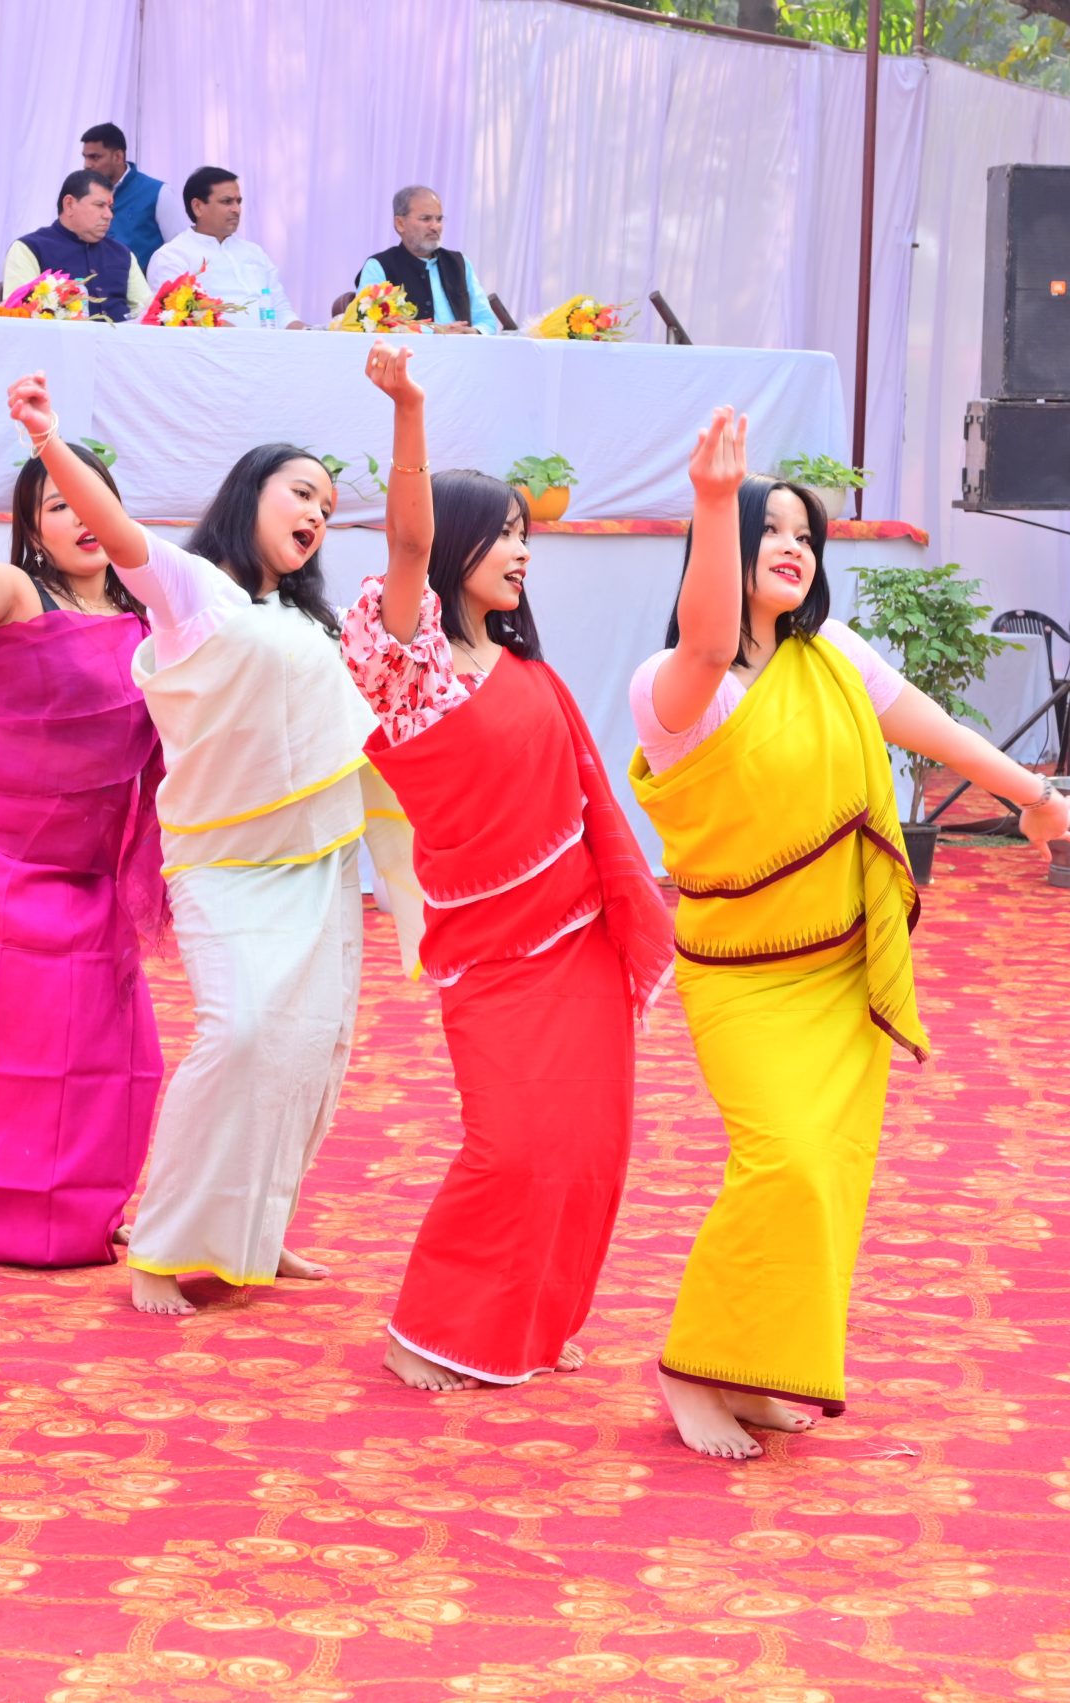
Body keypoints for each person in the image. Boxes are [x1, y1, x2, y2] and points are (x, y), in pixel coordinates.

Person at [628, 415, 1070, 1458]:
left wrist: (1034, 795)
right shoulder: (676, 685)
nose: (793, 546)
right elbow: (709, 640)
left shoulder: (830, 655)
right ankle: (691, 1364)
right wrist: (714, 498)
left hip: (837, 966)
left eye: (805, 534)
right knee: (782, 1159)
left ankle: (753, 1369)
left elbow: (934, 727)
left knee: (829, 1170)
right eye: (770, 529)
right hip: (741, 974)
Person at [6, 370, 383, 1315]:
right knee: (241, 1031)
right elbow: (116, 530)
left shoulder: (309, 621)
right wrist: (50, 443)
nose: (317, 513)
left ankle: (260, 1225)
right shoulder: (192, 589)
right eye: (302, 491)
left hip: (321, 862)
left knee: (310, 1047)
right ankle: (163, 1244)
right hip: (223, 864)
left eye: (328, 505)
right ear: (250, 493)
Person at [343, 345, 676, 1391]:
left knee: (588, 1145)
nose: (522, 551)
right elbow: (406, 538)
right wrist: (409, 408)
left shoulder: (526, 666)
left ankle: (529, 1324)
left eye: (527, 534)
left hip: (580, 933)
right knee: (512, 1144)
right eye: (502, 534)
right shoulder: (411, 664)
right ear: (455, 545)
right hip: (491, 948)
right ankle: (423, 1329)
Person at [0, 352, 166, 1268]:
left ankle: (74, 1212)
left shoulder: (154, 613)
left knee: (105, 1047)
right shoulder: (19, 596)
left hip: (85, 868)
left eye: (88, 499)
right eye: (55, 505)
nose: (79, 517)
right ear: (32, 529)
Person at [146, 168, 302, 330]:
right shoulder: (172, 256)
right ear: (198, 207)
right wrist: (243, 339)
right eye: (227, 202)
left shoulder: (254, 252)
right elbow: (183, 317)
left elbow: (282, 312)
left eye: (238, 202)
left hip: (271, 343)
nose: (236, 209)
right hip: (218, 345)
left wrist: (310, 332)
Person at [4, 171, 151, 321]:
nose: (109, 215)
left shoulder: (122, 254)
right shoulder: (30, 249)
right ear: (69, 205)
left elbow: (147, 311)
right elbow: (17, 316)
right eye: (100, 205)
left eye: (110, 207)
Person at [357, 187, 496, 335]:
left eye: (439, 219)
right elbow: (369, 323)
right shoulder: (379, 266)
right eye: (426, 219)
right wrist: (434, 332)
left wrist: (474, 332)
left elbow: (487, 322)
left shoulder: (459, 263)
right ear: (400, 223)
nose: (435, 227)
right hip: (406, 350)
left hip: (462, 348)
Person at [80, 123, 165, 272]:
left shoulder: (158, 192)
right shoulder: (81, 193)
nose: (87, 165)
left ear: (118, 156)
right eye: (85, 157)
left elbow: (178, 249)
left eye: (94, 157)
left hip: (143, 284)